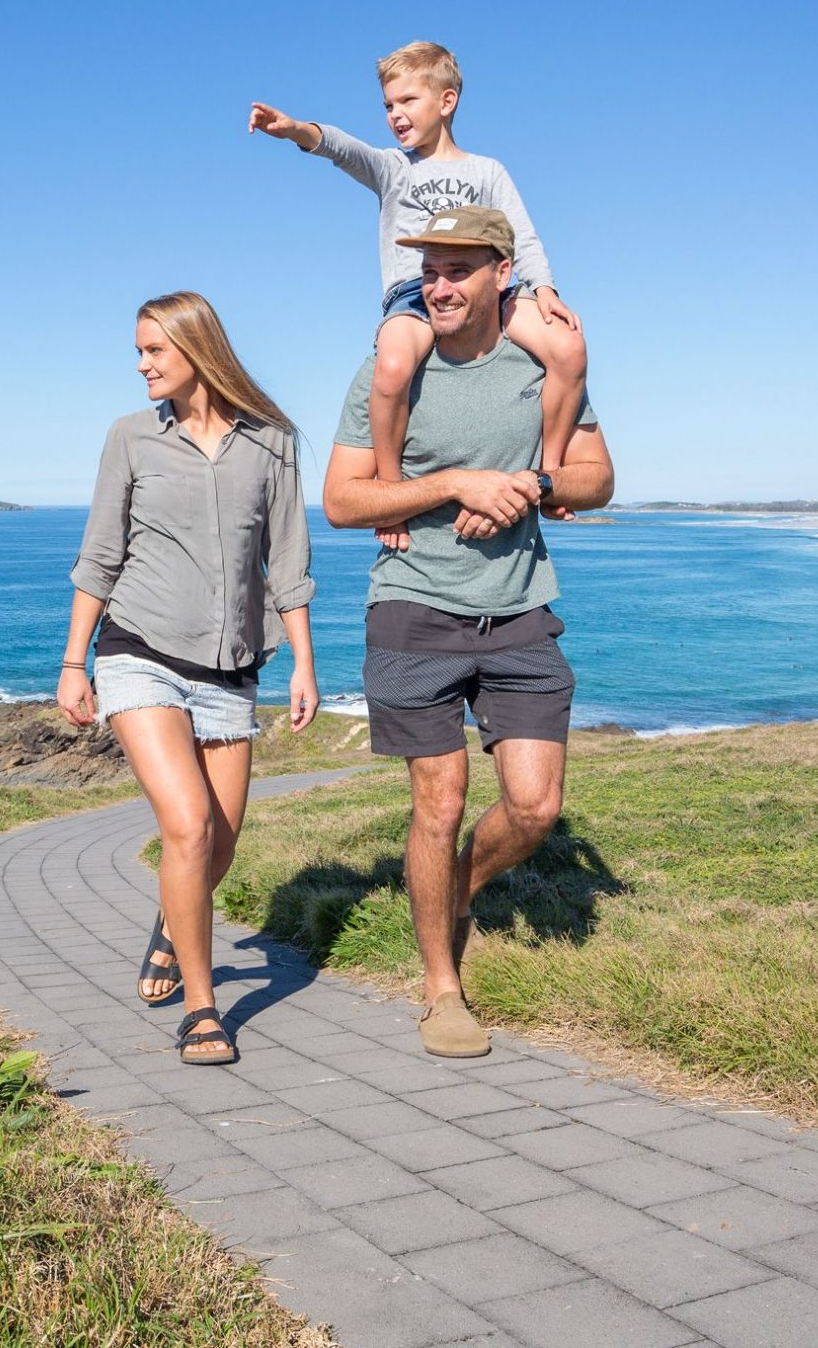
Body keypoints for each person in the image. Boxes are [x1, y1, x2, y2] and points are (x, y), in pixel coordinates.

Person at [319, 205, 614, 1058]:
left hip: (520, 608)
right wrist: (453, 482)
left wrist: (531, 482)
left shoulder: (540, 367)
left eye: (457, 270)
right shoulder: (390, 369)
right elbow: (344, 500)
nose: (438, 286)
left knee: (535, 806)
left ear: (500, 276)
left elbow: (597, 478)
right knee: (438, 800)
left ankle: (453, 891)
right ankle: (442, 987)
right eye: (429, 272)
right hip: (413, 605)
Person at [60, 291, 320, 1066]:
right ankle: (204, 1010)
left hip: (233, 668)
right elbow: (100, 553)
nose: (140, 364)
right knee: (188, 824)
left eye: (153, 350)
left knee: (222, 843)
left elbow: (289, 559)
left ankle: (175, 923)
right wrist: (75, 661)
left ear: (195, 349)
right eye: (138, 351)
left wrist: (305, 660)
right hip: (137, 650)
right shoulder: (131, 438)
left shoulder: (273, 441)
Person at [251, 41, 589, 548]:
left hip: (491, 292)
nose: (395, 115)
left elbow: (521, 234)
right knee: (391, 367)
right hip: (414, 294)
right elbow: (344, 149)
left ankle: (552, 471)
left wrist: (544, 287)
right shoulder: (394, 168)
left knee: (568, 347)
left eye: (407, 101)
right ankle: (392, 487)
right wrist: (297, 130)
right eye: (388, 105)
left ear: (446, 101)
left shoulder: (487, 172)